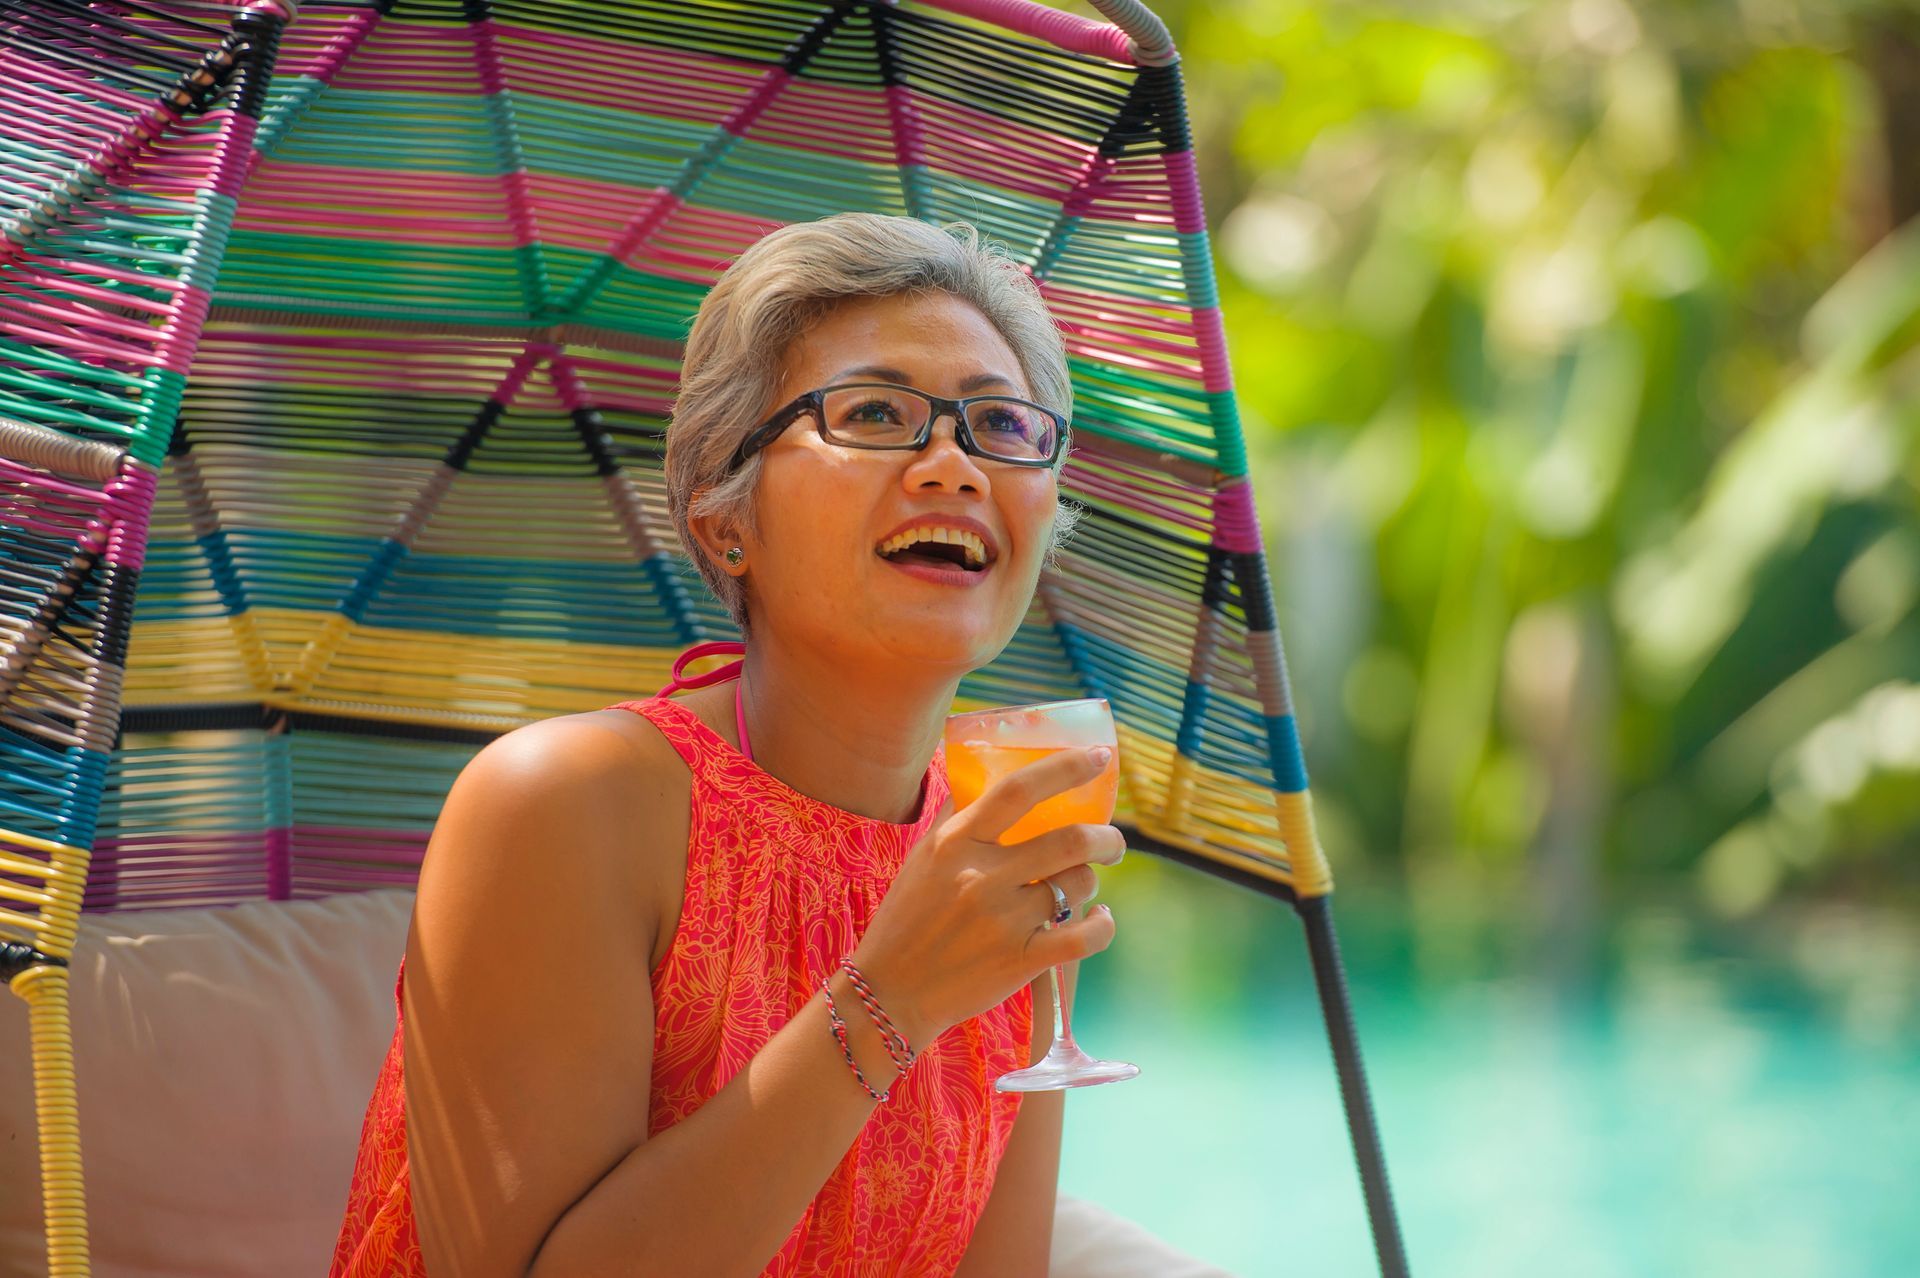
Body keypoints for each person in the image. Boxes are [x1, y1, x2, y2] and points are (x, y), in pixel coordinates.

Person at [331, 212, 1127, 1277]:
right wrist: (893, 999)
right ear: (724, 519)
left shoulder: (990, 863)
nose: (955, 465)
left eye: (1002, 426)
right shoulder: (564, 804)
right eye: (877, 412)